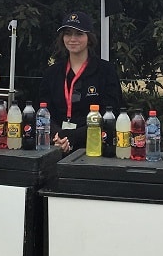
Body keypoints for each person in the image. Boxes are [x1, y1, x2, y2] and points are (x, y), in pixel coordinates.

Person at [39, 10, 123, 153]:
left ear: (89, 38)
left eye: (79, 34)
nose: (72, 39)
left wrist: (74, 136)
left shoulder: (105, 71)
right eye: (68, 33)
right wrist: (58, 135)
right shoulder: (52, 73)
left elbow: (110, 114)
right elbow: (42, 111)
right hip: (56, 146)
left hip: (93, 148)